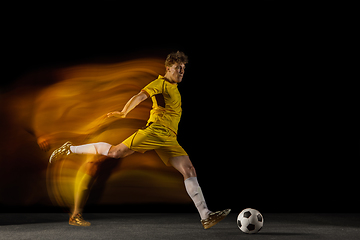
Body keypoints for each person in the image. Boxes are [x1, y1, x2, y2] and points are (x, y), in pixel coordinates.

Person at [49, 51, 230, 229]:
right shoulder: (160, 83)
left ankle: (206, 216)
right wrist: (124, 112)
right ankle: (69, 149)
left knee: (189, 169)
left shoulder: (174, 88)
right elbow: (140, 96)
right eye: (178, 68)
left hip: (169, 138)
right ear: (168, 68)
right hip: (154, 132)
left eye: (183, 68)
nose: (182, 71)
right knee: (114, 152)